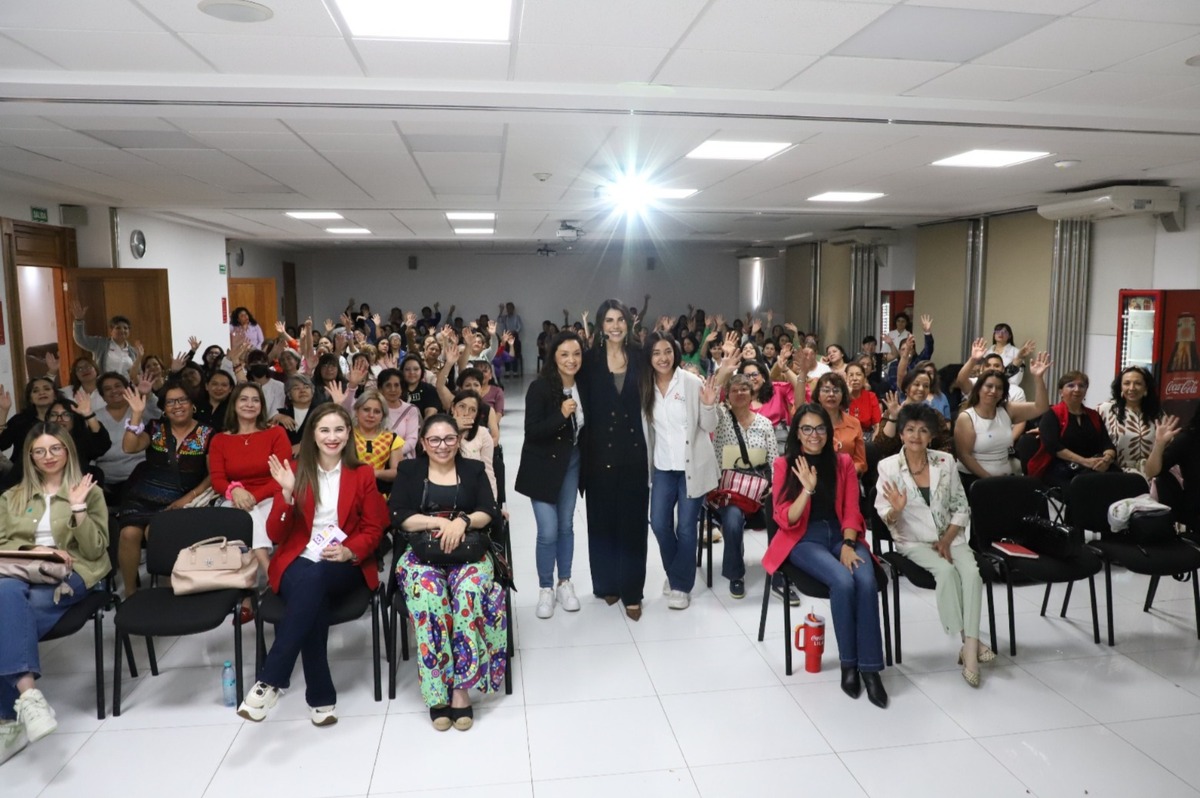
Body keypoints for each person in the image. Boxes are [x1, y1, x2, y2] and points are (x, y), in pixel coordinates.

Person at [236, 404, 388, 726]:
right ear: (313, 435)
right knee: (312, 590)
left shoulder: (361, 474)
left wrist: (349, 551)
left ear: (348, 433)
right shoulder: (294, 471)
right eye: (324, 430)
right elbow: (276, 534)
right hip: (297, 560)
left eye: (339, 430)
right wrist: (287, 494)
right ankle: (320, 698)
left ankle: (270, 680)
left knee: (314, 580)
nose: (332, 437)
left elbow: (375, 528)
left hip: (342, 563)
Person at [765, 404, 888, 708]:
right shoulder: (784, 465)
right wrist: (806, 490)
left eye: (820, 428)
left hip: (842, 534)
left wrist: (848, 544)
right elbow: (785, 518)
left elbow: (852, 509)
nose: (814, 435)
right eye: (806, 428)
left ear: (828, 431)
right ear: (797, 432)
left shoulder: (842, 462)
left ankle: (871, 669)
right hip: (804, 538)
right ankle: (849, 664)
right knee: (842, 582)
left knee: (866, 580)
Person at [0, 424, 107, 763]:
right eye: (40, 451)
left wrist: (78, 509)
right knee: (6, 594)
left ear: (67, 450)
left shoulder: (88, 491)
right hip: (20, 573)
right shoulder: (11, 496)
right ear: (30, 456)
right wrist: (36, 550)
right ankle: (29, 700)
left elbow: (95, 550)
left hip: (74, 574)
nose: (48, 457)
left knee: (6, 615)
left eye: (55, 449)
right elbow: (2, 543)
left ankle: (9, 720)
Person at [391, 415, 505, 731]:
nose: (443, 446)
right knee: (429, 596)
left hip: (468, 551)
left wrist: (462, 522)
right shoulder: (409, 470)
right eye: (435, 440)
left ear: (458, 439)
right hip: (421, 553)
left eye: (449, 438)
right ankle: (437, 692)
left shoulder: (473, 469)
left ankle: (460, 690)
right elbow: (398, 515)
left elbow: (489, 511)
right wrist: (438, 522)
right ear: (424, 443)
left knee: (468, 593)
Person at [876, 403, 991, 687]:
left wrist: (947, 540)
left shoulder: (945, 461)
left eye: (923, 430)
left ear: (931, 436)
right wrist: (896, 510)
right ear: (901, 434)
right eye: (910, 430)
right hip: (913, 540)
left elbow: (961, 506)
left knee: (972, 575)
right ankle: (970, 644)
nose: (916, 436)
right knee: (947, 572)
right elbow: (885, 516)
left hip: (950, 536)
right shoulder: (888, 467)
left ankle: (969, 649)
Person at [579, 299, 650, 620]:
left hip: (634, 452)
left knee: (633, 525)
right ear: (600, 325)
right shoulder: (589, 360)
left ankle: (632, 591)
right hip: (598, 454)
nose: (615, 326)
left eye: (620, 319)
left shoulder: (640, 356)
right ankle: (607, 583)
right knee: (602, 523)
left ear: (628, 323)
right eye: (609, 320)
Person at [641, 332, 721, 611]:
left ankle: (681, 585)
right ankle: (676, 572)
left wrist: (709, 404)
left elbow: (710, 426)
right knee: (658, 523)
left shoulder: (690, 382)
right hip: (663, 467)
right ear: (649, 357)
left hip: (692, 467)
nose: (663, 358)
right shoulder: (645, 386)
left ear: (675, 353)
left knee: (686, 527)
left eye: (667, 351)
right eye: (656, 353)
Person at [117, 381, 215, 596]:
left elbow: (212, 475)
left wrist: (188, 498)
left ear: (192, 404)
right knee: (128, 534)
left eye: (182, 400)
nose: (177, 406)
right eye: (170, 402)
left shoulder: (208, 433)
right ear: (164, 408)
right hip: (144, 495)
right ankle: (131, 595)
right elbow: (129, 447)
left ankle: (170, 591)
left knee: (156, 532)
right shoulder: (155, 428)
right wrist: (136, 414)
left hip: (181, 497)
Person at [208, 382, 293, 622]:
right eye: (243, 399)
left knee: (253, 515)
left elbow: (282, 475)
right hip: (234, 498)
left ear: (262, 406)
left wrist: (254, 496)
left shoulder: (275, 433)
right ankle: (270, 572)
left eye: (255, 400)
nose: (249, 404)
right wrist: (234, 491)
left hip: (272, 494)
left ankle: (248, 595)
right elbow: (217, 479)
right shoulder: (220, 440)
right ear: (234, 404)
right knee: (245, 516)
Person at [516, 331, 585, 619]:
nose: (571, 360)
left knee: (566, 526)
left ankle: (564, 582)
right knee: (547, 530)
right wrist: (561, 415)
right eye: (564, 354)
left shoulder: (584, 386)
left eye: (576, 354)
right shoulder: (541, 388)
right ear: (553, 357)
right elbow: (532, 431)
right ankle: (545, 587)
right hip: (543, 466)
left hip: (571, 463)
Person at [711, 372, 778, 598]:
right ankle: (735, 575)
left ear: (752, 393)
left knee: (781, 515)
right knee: (732, 521)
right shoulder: (720, 418)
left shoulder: (764, 424)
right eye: (734, 390)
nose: (739, 393)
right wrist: (723, 373)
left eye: (744, 389)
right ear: (727, 395)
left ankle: (780, 571)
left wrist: (774, 486)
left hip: (760, 491)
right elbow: (708, 407)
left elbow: (774, 461)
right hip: (730, 492)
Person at [954, 354, 1051, 492]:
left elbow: (1041, 407)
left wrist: (1039, 379)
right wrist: (990, 480)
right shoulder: (967, 417)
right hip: (975, 481)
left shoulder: (1007, 409)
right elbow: (964, 456)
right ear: (979, 388)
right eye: (989, 386)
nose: (994, 391)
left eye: (999, 388)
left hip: (1004, 478)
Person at [1027, 371, 1117, 488]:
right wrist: (1085, 461)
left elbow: (1107, 444)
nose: (1077, 389)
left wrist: (1106, 460)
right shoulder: (1051, 414)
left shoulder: (1094, 415)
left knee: (1118, 481)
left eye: (1081, 386)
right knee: (1086, 486)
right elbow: (1054, 447)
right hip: (1060, 469)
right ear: (1061, 392)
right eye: (1071, 385)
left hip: (1093, 467)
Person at [0, 378, 66, 490]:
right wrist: (3, 411)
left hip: (60, 471)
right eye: (35, 391)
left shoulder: (65, 419)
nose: (42, 393)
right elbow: (2, 444)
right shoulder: (20, 420)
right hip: (22, 473)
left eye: (46, 389)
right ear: (30, 398)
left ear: (55, 395)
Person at [1098, 366, 1162, 476]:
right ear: (1120, 387)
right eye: (1127, 383)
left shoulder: (1157, 413)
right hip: (1116, 475)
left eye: (1138, 383)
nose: (1132, 388)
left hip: (1150, 475)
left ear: (1146, 388)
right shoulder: (1105, 410)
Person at [448, 389, 497, 502]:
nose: (466, 413)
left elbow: (488, 471)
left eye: (472, 410)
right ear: (453, 408)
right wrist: (453, 429)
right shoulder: (439, 430)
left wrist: (492, 502)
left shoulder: (483, 434)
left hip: (473, 492)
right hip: (444, 490)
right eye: (462, 407)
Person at [814, 372, 866, 475]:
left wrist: (846, 473)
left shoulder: (854, 423)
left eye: (836, 390)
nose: (831, 394)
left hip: (849, 476)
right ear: (818, 396)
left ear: (843, 395)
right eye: (826, 390)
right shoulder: (812, 423)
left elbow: (860, 462)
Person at [70, 299, 138, 377]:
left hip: (126, 384)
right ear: (111, 331)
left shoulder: (133, 351)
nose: (122, 330)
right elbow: (81, 340)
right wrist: (79, 321)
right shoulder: (100, 344)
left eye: (125, 328)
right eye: (118, 328)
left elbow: (137, 373)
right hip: (104, 383)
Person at [845, 362, 882, 442]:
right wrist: (846, 396)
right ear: (846, 378)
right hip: (844, 436)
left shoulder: (871, 396)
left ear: (864, 379)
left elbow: (877, 425)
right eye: (851, 375)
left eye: (858, 374)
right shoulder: (841, 397)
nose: (855, 378)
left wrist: (873, 442)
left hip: (866, 437)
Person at [399, 354, 440, 419]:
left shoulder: (429, 389)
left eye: (416, 369)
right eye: (407, 369)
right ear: (402, 371)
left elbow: (430, 413)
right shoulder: (396, 389)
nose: (412, 372)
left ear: (422, 371)